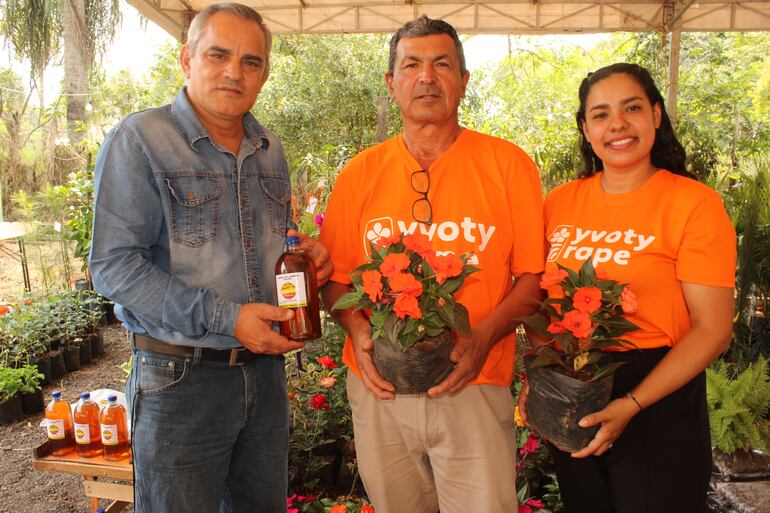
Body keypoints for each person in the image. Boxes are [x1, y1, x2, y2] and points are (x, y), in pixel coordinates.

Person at [89, 4, 332, 512]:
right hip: (180, 381)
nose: (234, 72)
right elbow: (114, 266)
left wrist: (300, 252)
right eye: (218, 55)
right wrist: (226, 318)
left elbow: (260, 242)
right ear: (187, 59)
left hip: (264, 375)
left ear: (264, 72)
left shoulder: (269, 149)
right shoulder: (141, 140)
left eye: (251, 61)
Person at [319, 16, 544, 513]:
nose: (427, 76)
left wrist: (482, 338)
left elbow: (533, 279)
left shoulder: (508, 166)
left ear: (463, 81)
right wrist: (358, 331)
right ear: (391, 83)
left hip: (476, 386)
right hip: (381, 392)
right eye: (412, 65)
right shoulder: (360, 174)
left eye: (442, 64)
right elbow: (333, 282)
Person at [518, 63, 736, 513]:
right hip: (573, 384)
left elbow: (713, 329)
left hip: (658, 391)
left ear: (656, 115)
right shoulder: (560, 201)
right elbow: (537, 301)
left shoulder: (693, 203)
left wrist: (632, 404)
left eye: (631, 108)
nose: (616, 123)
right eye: (600, 114)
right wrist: (543, 375)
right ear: (586, 129)